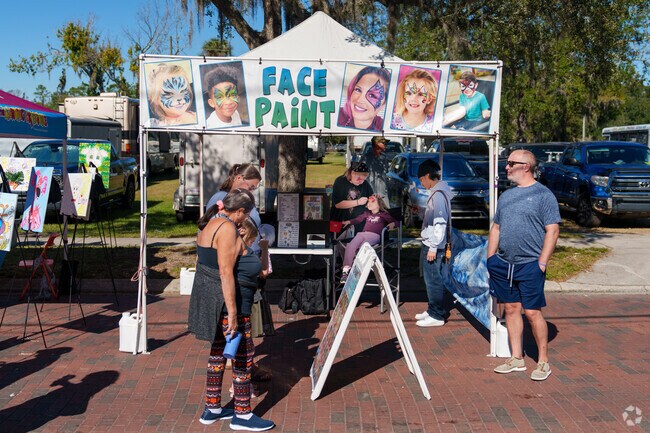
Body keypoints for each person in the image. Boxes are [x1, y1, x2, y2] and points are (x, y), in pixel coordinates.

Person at [187, 189, 275, 431]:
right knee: (243, 358)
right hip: (229, 305)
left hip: (218, 303)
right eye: (244, 215)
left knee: (218, 354)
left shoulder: (213, 223)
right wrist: (233, 314)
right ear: (239, 211)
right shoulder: (225, 229)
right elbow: (225, 272)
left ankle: (213, 408)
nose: (244, 220)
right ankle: (242, 415)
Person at [487, 149, 560, 381]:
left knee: (532, 312)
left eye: (511, 163)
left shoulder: (543, 195)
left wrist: (542, 262)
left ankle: (543, 362)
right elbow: (496, 228)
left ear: (526, 166)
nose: (506, 167)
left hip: (530, 265)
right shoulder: (507, 195)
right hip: (504, 264)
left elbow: (553, 230)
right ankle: (517, 358)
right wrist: (490, 258)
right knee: (511, 309)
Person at [414, 159, 452, 327]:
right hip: (433, 242)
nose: (421, 183)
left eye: (421, 179)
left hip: (434, 244)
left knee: (433, 279)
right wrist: (422, 211)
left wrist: (434, 247)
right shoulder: (439, 192)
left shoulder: (438, 195)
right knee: (433, 278)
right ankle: (433, 310)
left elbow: (440, 222)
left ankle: (437, 314)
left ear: (428, 176)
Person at [206, 164, 263, 253]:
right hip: (236, 255)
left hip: (251, 253)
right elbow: (213, 229)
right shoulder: (221, 197)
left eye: (254, 189)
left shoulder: (246, 198)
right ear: (239, 178)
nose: (251, 191)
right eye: (250, 187)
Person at [339, 194, 397, 282]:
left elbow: (397, 222)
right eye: (368, 202)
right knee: (350, 246)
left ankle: (358, 270)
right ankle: (345, 271)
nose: (369, 204)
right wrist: (349, 221)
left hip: (374, 236)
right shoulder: (367, 213)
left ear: (379, 204)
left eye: (372, 201)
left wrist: (393, 224)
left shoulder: (383, 214)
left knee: (363, 248)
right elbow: (358, 219)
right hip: (362, 234)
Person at [337, 66, 391, 131]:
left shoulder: (385, 128)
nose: (360, 100)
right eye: (358, 90)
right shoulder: (335, 115)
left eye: (372, 95)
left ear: (384, 104)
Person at [330, 162, 374, 235]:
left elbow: (371, 197)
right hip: (339, 221)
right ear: (352, 173)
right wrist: (358, 202)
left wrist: (374, 198)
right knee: (337, 244)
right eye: (359, 179)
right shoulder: (340, 181)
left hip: (358, 224)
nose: (361, 182)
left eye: (364, 179)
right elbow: (338, 204)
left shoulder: (365, 184)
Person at [390, 68, 437, 133]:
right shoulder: (391, 122)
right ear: (403, 95)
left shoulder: (434, 125)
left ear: (429, 99)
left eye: (420, 94)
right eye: (409, 93)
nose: (414, 99)